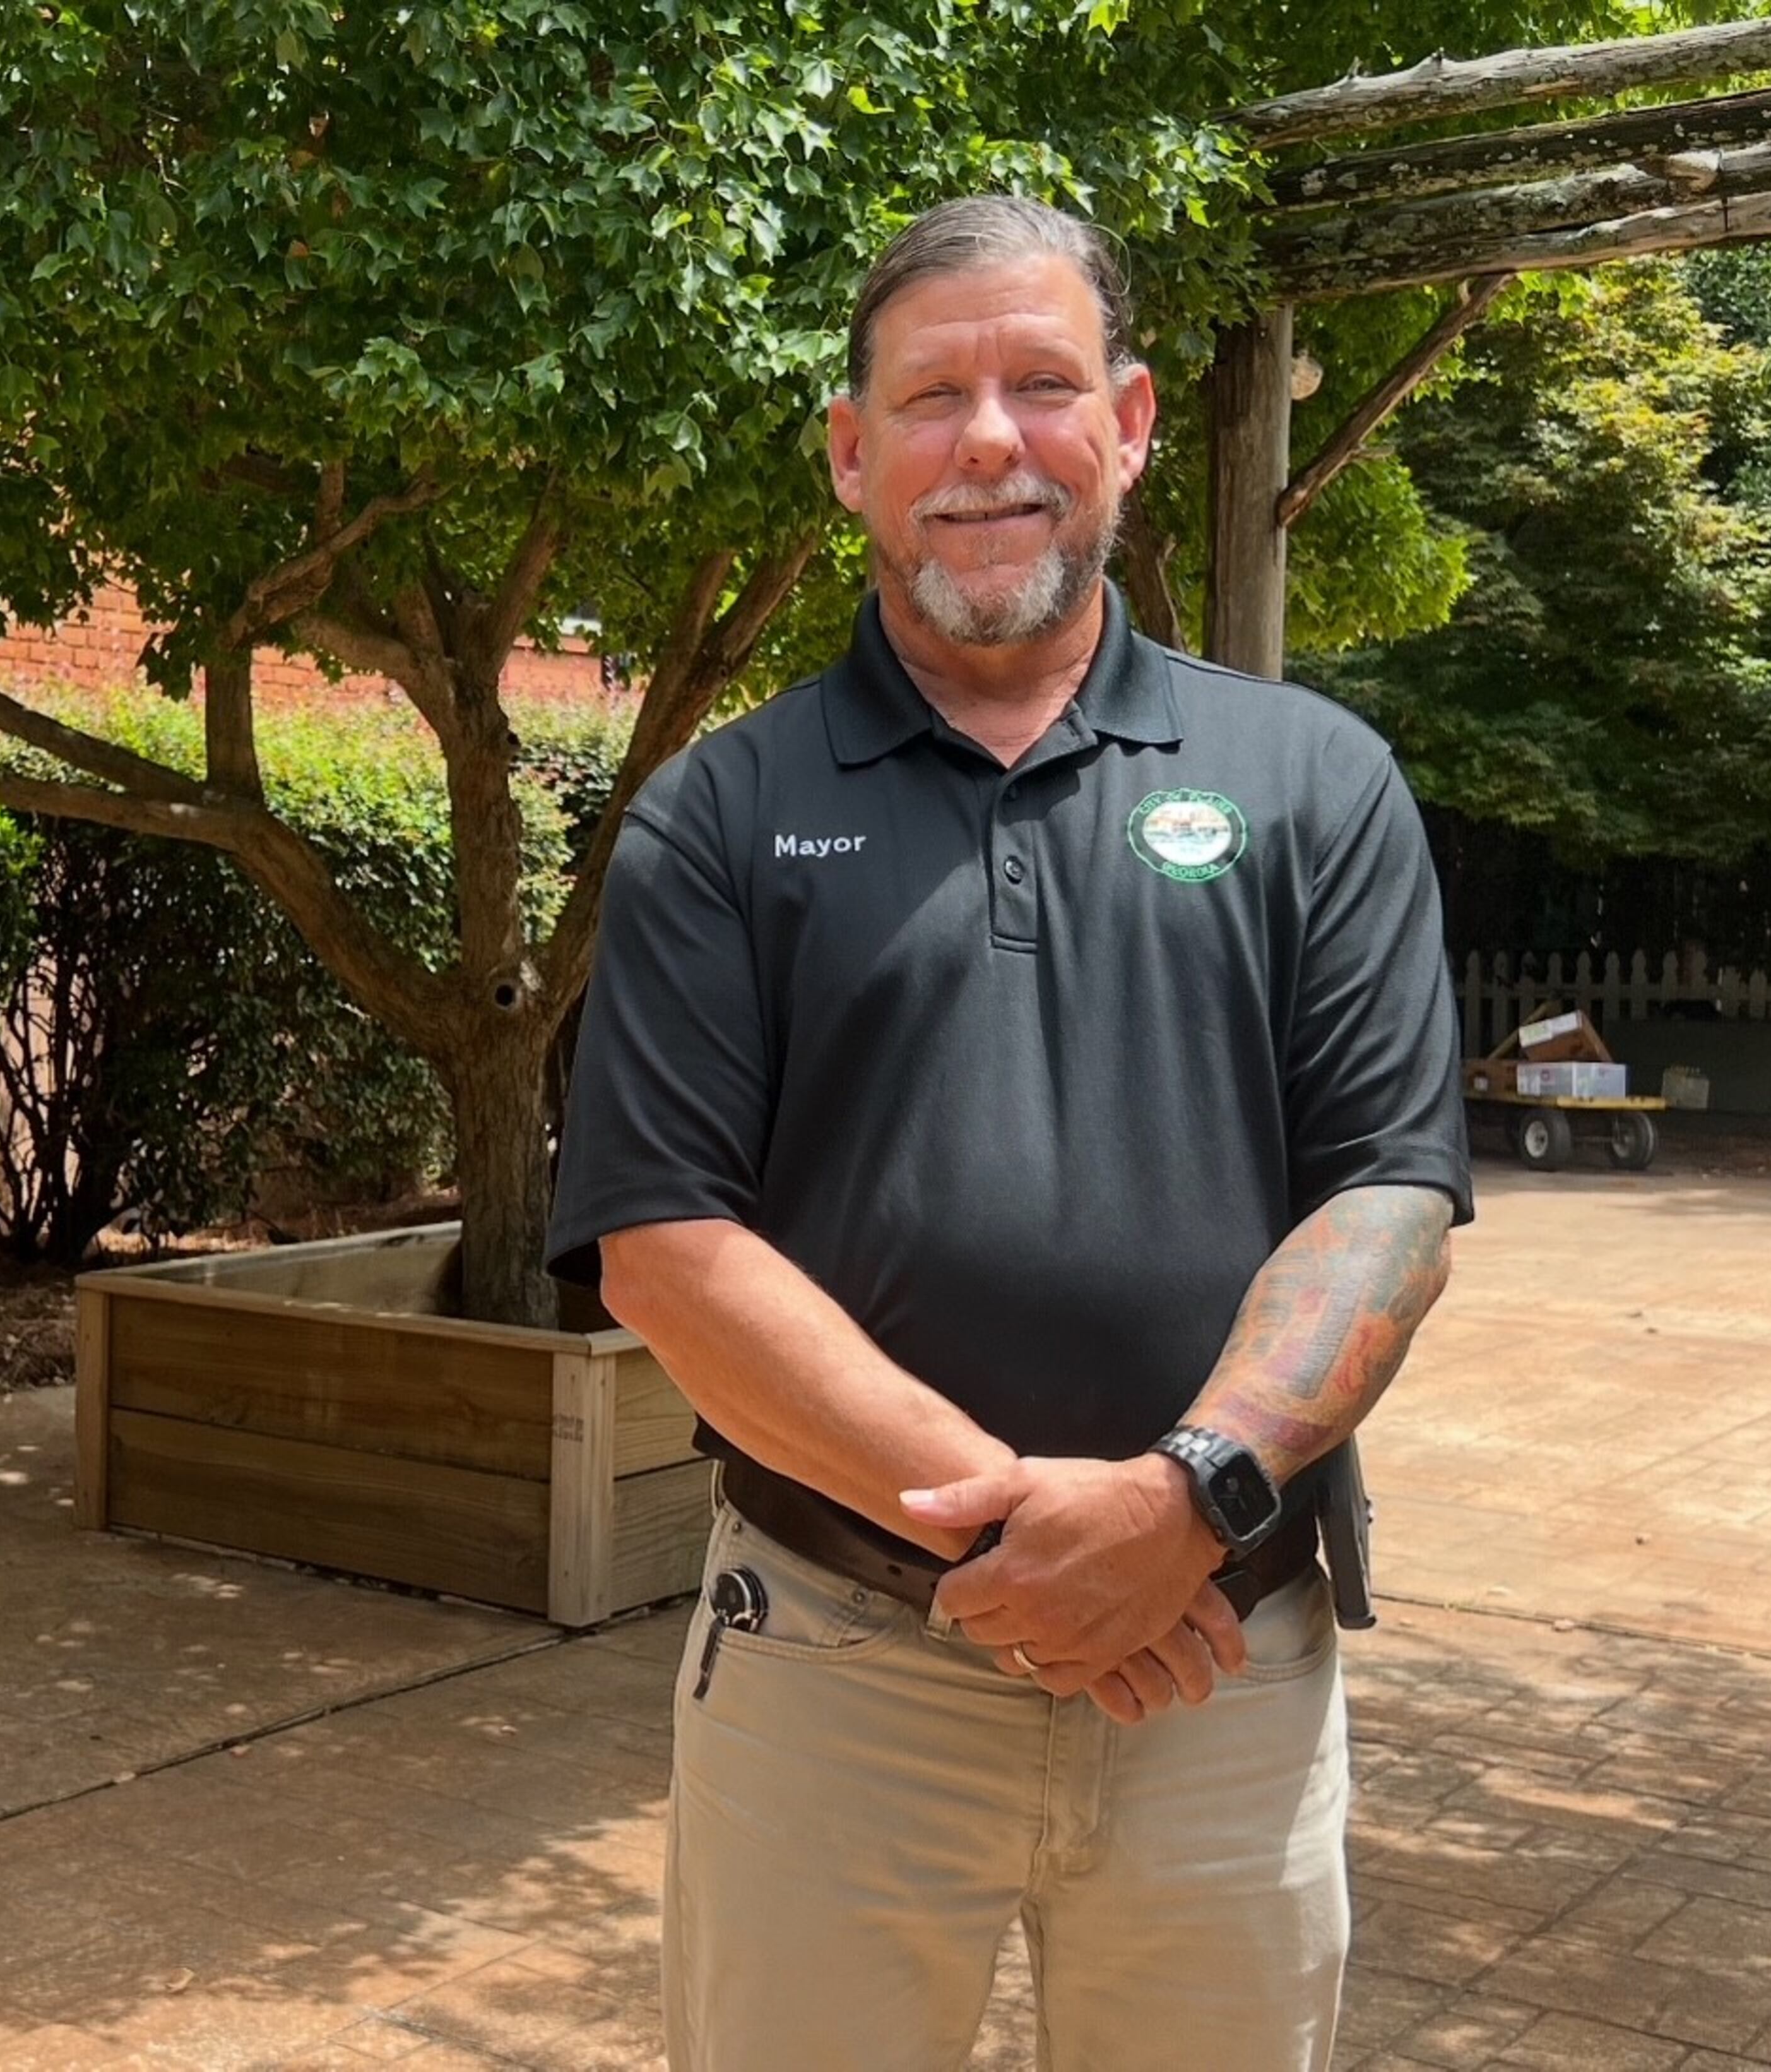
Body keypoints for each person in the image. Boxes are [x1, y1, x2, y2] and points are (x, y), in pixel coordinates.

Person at [547, 194, 1472, 2072]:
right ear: (852, 454)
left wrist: (1180, 1505)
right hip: (834, 1675)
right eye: (934, 395)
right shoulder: (720, 817)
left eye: (1044, 385)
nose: (990, 440)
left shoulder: (1313, 783)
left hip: (1222, 1673)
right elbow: (666, 1244)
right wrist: (1046, 1552)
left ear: (1131, 425)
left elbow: (1388, 1198)